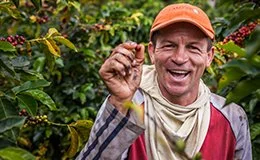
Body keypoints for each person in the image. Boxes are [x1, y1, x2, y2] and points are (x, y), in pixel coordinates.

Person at [76, 3, 252, 160]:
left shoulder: (232, 117)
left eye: (193, 47)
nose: (180, 58)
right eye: (169, 45)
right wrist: (120, 103)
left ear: (209, 57)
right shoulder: (128, 106)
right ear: (152, 52)